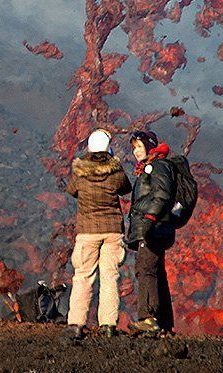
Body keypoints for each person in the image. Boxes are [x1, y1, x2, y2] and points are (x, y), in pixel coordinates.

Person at [65, 128, 132, 341]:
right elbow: (126, 188)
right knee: (110, 277)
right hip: (113, 230)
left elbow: (72, 191)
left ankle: (76, 324)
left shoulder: (79, 173)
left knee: (83, 277)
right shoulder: (116, 172)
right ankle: (108, 325)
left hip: (87, 232)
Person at [126, 130, 175, 334]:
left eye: (139, 146)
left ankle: (148, 318)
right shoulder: (150, 167)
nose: (136, 151)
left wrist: (149, 219)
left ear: (149, 145)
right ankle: (163, 322)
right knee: (156, 272)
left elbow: (162, 194)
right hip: (156, 228)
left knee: (145, 269)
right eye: (134, 148)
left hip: (152, 228)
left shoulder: (156, 166)